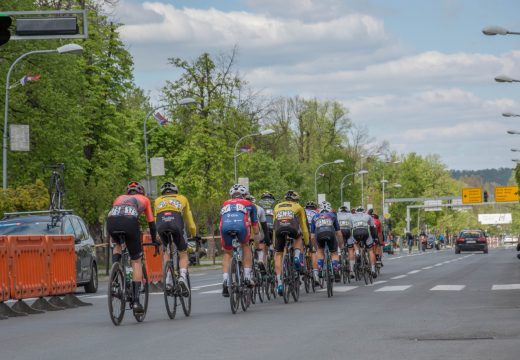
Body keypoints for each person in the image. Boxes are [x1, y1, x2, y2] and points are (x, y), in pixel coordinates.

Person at [107, 181, 160, 314]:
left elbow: (116, 214)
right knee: (136, 261)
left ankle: (115, 273)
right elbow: (151, 224)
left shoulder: (119, 198)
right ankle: (136, 301)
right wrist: (154, 241)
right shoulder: (145, 200)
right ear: (141, 192)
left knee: (118, 244)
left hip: (112, 222)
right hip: (130, 222)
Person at [154, 182, 197, 292]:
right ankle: (182, 277)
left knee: (166, 251)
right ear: (176, 191)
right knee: (183, 252)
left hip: (161, 225)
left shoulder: (157, 200)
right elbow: (188, 218)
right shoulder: (182, 198)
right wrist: (194, 233)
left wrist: (157, 235)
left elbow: (155, 219)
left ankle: (168, 278)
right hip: (176, 223)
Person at [220, 184, 259, 297]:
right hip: (241, 227)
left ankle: (226, 280)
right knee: (245, 246)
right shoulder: (250, 204)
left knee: (227, 253)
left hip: (225, 227)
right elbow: (255, 227)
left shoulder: (225, 203)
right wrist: (256, 237)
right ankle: (247, 277)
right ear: (245, 195)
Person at [273, 190, 309, 295]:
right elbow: (304, 226)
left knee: (278, 254)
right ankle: (297, 257)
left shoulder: (277, 206)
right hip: (292, 228)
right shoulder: (298, 207)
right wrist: (306, 242)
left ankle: (280, 284)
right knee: (298, 237)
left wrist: (274, 243)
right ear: (296, 200)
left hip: (279, 229)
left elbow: (275, 226)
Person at [311, 201, 342, 282]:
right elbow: (338, 233)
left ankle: (320, 269)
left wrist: (316, 247)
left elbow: (312, 236)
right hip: (330, 234)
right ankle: (335, 270)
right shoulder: (333, 215)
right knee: (334, 253)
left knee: (320, 251)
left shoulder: (315, 217)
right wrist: (340, 245)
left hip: (319, 235)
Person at [246, 194, 271, 273]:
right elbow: (264, 225)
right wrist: (267, 238)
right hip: (256, 228)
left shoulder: (241, 207)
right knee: (260, 244)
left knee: (244, 247)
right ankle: (260, 260)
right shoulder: (259, 208)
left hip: (245, 228)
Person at [351, 207, 378, 278]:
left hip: (356, 232)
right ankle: (373, 270)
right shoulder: (368, 216)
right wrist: (375, 238)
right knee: (370, 251)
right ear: (364, 211)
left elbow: (350, 228)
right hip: (365, 233)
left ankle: (357, 253)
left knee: (355, 243)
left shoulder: (352, 216)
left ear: (356, 212)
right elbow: (373, 228)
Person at [304, 201, 320, 285]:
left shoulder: (303, 211)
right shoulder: (317, 212)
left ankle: (301, 264)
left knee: (299, 248)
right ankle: (315, 275)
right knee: (313, 252)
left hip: (302, 232)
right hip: (312, 232)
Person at [337, 206, 355, 279]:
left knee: (337, 250)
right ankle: (351, 270)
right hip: (348, 232)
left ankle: (337, 269)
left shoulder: (337, 215)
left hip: (340, 232)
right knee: (350, 250)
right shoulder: (351, 215)